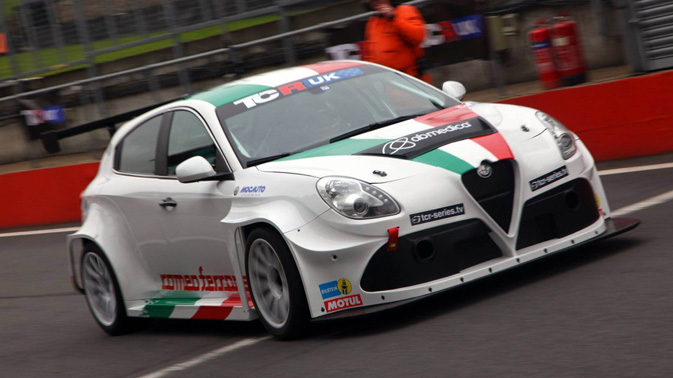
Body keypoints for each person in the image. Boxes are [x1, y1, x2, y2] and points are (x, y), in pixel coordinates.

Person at [362, 0, 431, 84]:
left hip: (410, 78)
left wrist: (393, 17)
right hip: (388, 80)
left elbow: (417, 37)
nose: (376, 3)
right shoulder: (373, 22)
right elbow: (370, 53)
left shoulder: (404, 10)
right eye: (372, 1)